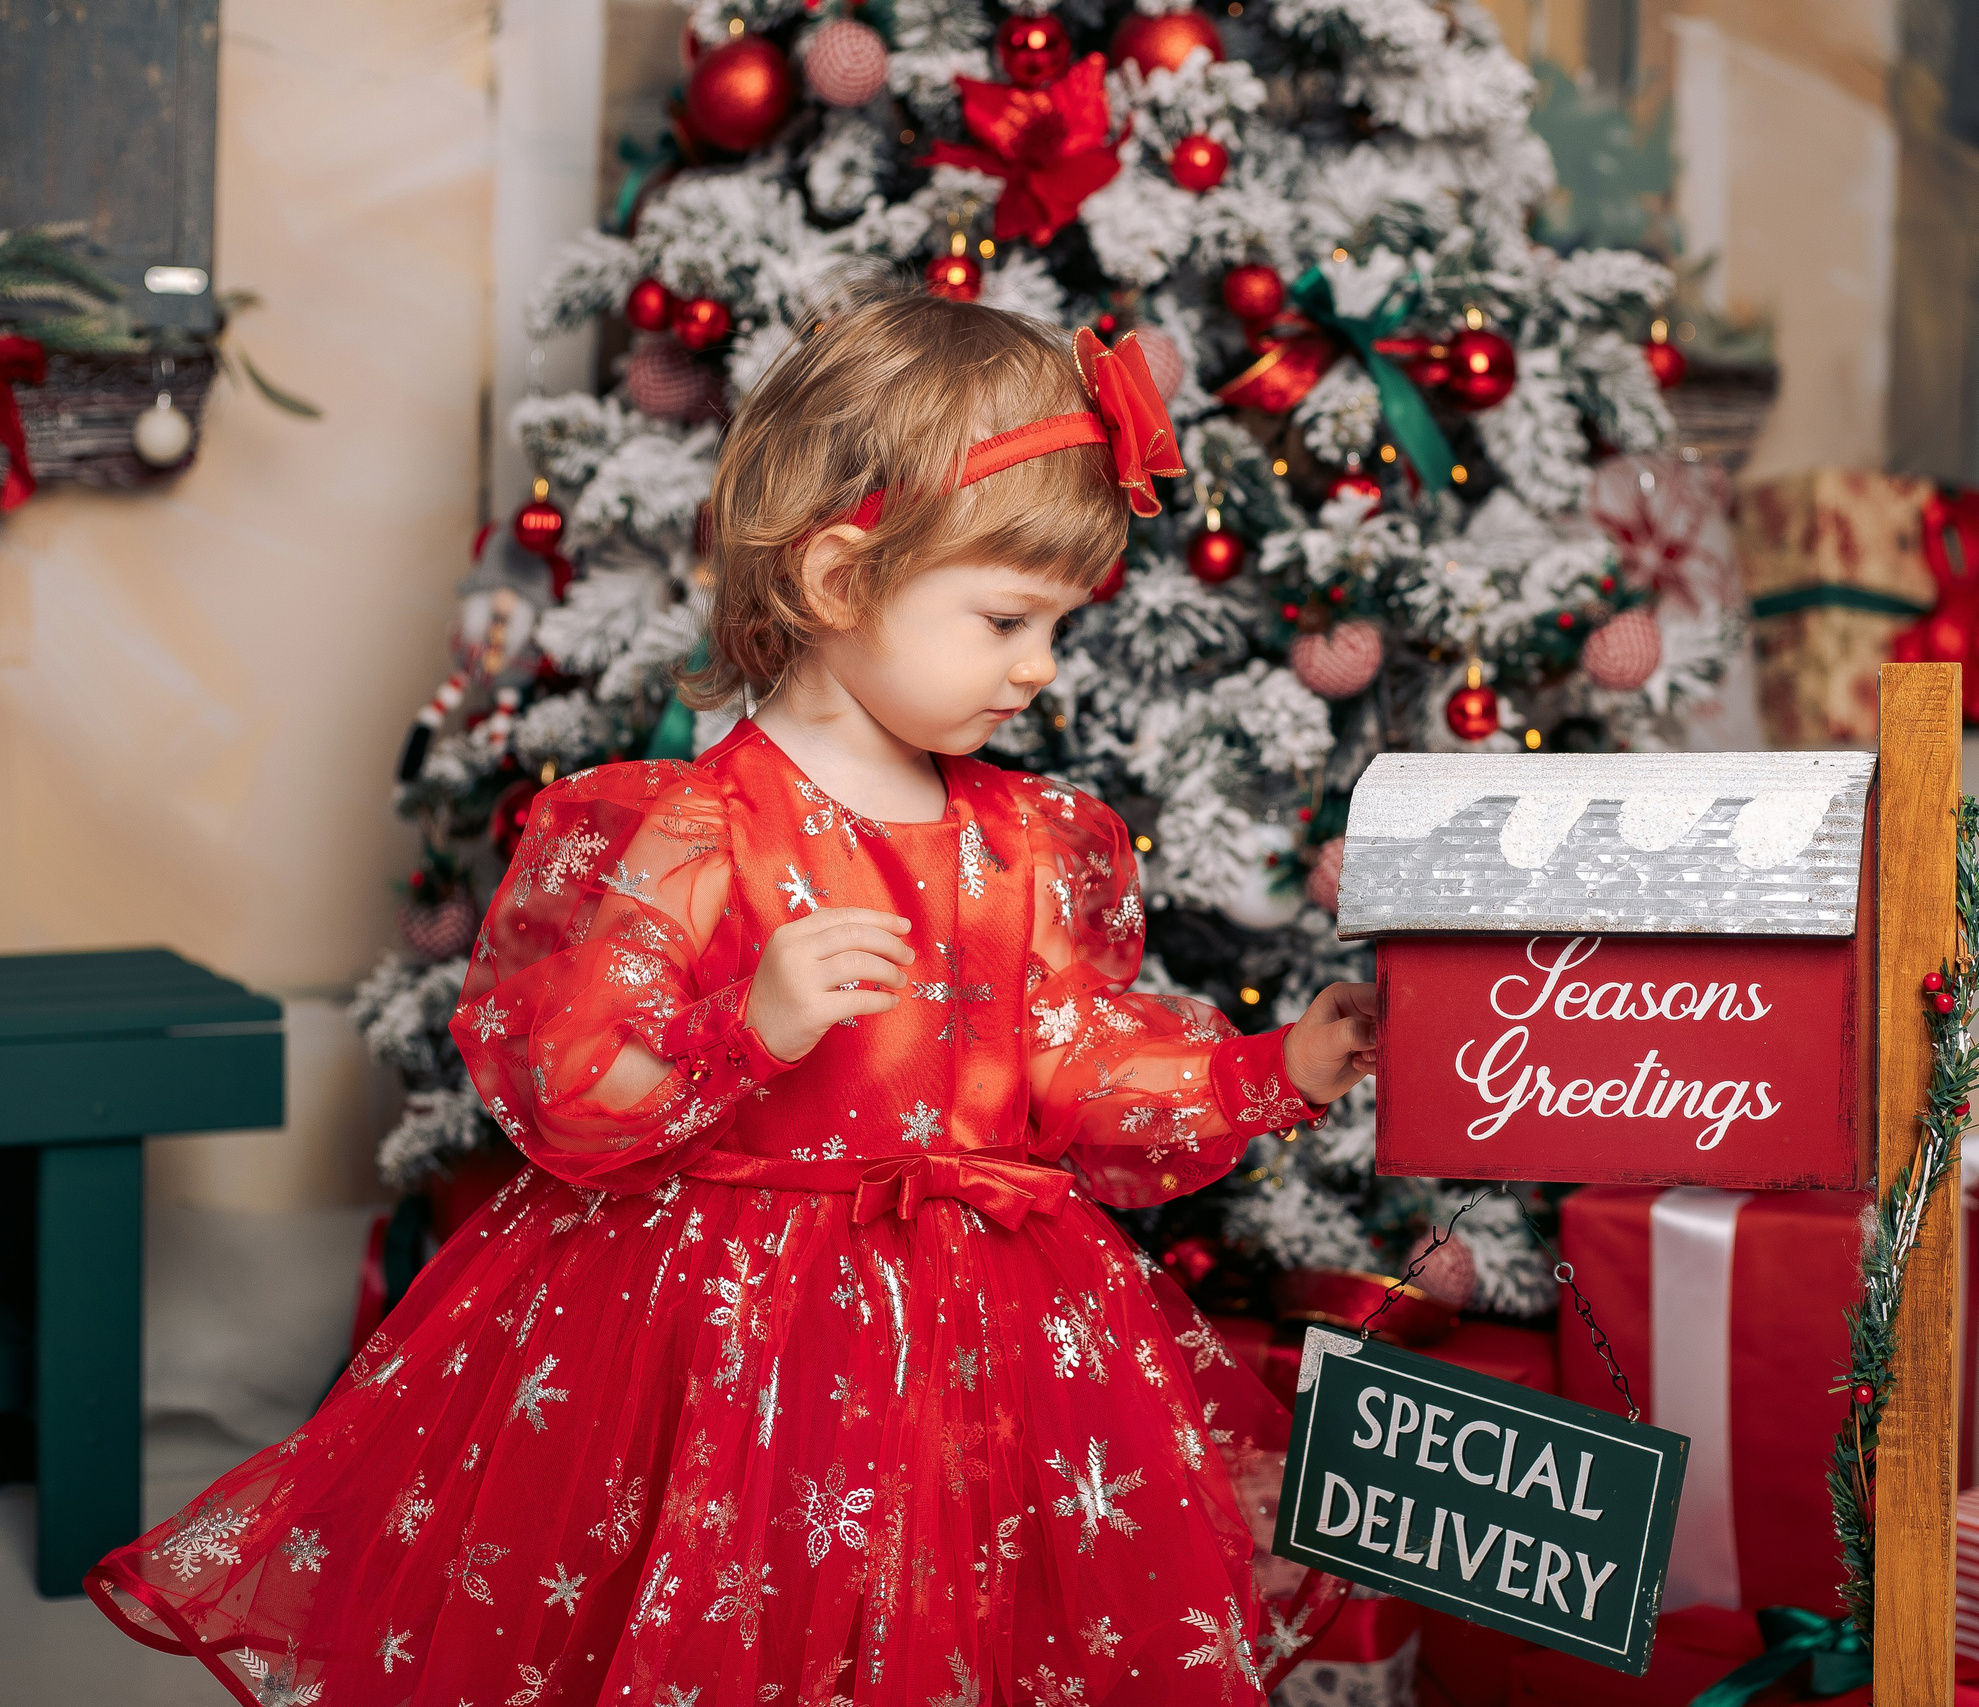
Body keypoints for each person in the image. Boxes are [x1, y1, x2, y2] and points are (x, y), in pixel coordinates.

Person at [90, 288, 1376, 1704]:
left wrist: (1276, 1073)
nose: (1040, 667)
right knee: (743, 1619)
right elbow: (572, 1092)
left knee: (961, 1627)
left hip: (987, 1334)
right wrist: (745, 1029)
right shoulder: (710, 833)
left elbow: (1076, 1063)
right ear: (837, 579)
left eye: (1059, 622)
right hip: (738, 1339)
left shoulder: (1025, 840)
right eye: (1007, 616)